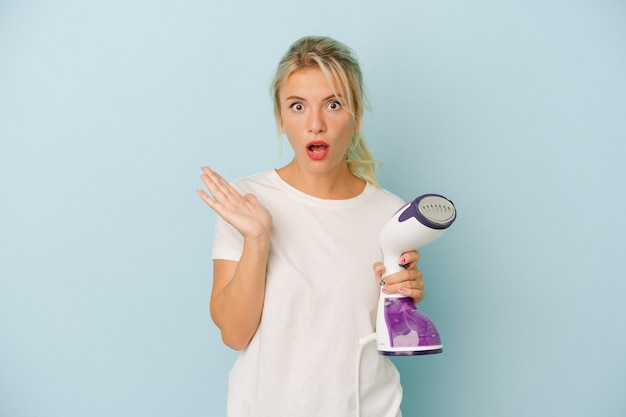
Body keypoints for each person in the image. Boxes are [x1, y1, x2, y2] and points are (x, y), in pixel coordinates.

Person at [197, 35, 425, 417]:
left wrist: (404, 299)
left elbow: (390, 335)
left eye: (333, 105)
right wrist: (257, 239)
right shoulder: (246, 202)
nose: (315, 124)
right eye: (298, 106)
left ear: (355, 117)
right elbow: (233, 334)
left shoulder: (390, 213)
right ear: (281, 119)